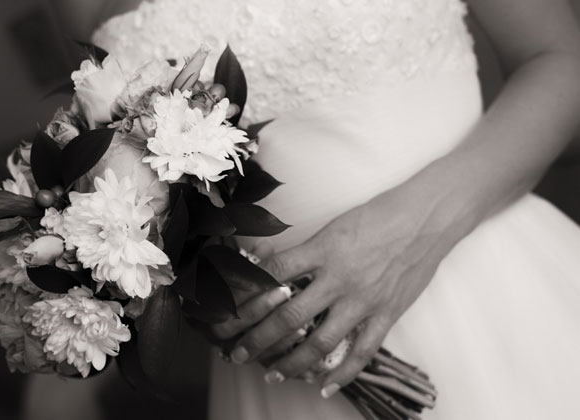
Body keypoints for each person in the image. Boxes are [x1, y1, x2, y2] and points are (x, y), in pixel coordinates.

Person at [88, 0, 580, 419]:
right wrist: (198, 294)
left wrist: (414, 232)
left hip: (494, 290)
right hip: (286, 361)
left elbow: (562, 56)